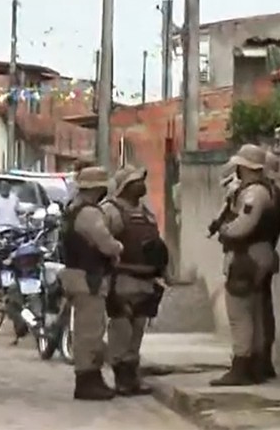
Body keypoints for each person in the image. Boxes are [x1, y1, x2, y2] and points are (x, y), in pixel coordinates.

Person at [210, 144, 280, 386]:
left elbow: (243, 226)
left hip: (246, 256)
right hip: (258, 254)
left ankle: (242, 365)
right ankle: (257, 364)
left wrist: (224, 229)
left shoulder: (254, 193)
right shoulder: (265, 190)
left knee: (240, 313)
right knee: (256, 311)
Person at [100, 166, 169, 397]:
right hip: (121, 279)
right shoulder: (110, 211)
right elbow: (101, 245)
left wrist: (164, 273)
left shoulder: (146, 212)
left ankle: (131, 376)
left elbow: (156, 246)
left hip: (145, 280)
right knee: (121, 329)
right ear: (125, 186)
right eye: (136, 181)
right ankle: (121, 377)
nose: (142, 184)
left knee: (137, 329)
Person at [59, 166, 124, 400]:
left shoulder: (73, 210)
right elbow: (106, 243)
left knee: (86, 329)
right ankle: (87, 380)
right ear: (98, 188)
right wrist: (119, 248)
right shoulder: (90, 214)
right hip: (89, 278)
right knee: (90, 331)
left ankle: (91, 379)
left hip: (76, 275)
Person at [260, 150, 280, 380]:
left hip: (256, 255)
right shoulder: (275, 194)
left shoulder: (265, 195)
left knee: (255, 311)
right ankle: (264, 359)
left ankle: (259, 360)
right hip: (267, 253)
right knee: (263, 308)